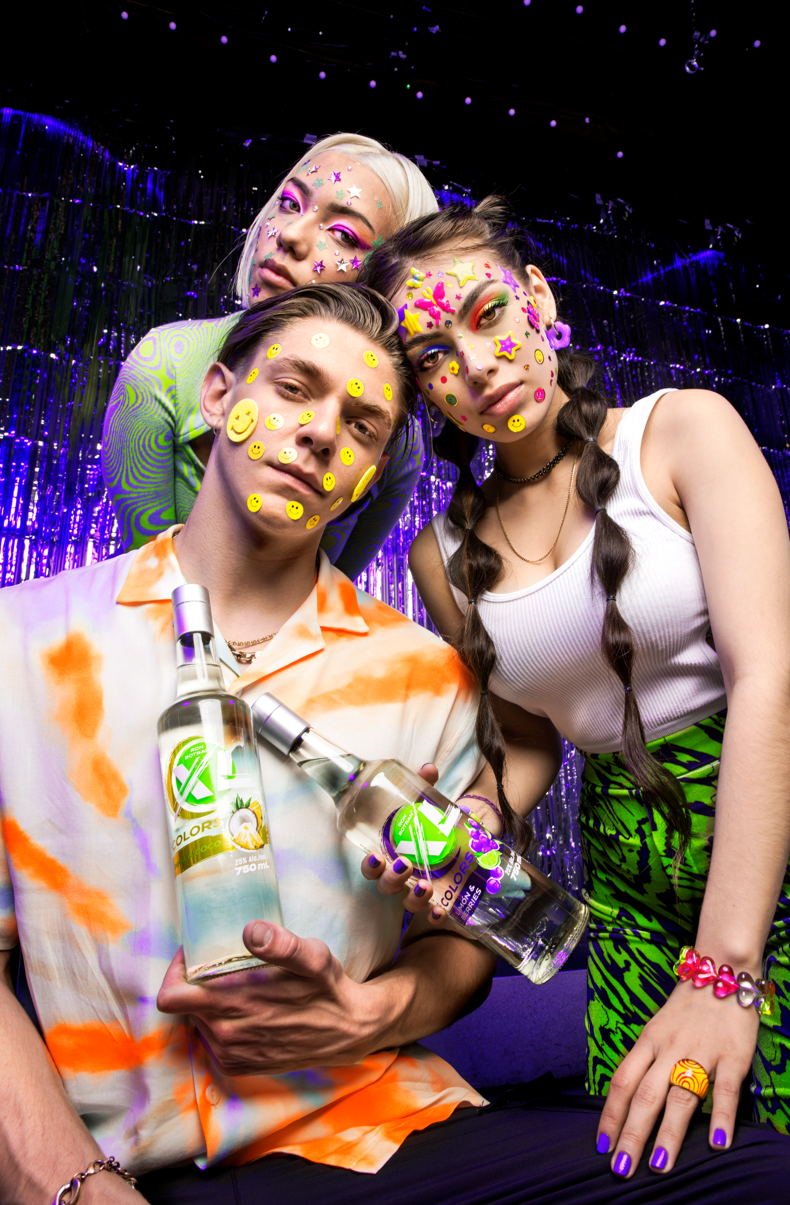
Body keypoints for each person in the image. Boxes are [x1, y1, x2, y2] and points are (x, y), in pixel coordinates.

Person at [0, 285, 787, 1204]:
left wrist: (370, 1011)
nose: (321, 432)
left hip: (381, 1129)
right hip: (130, 1158)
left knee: (755, 1177)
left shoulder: (422, 675)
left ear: (374, 469)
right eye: (294, 387)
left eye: (364, 424)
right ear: (217, 395)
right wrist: (76, 1181)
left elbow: (464, 948)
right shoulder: (25, 642)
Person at [358, 200, 790, 1180]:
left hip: (769, 815)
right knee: (658, 1159)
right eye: (433, 352)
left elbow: (772, 678)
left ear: (537, 298)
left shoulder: (681, 432)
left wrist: (724, 966)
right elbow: (530, 735)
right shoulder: (443, 555)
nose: (475, 363)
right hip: (627, 869)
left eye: (486, 312)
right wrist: (472, 810)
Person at [101, 132, 438, 578]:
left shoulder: (401, 443)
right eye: (291, 205)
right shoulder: (164, 365)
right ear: (217, 392)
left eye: (342, 234)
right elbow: (145, 584)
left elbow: (332, 591)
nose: (292, 235)